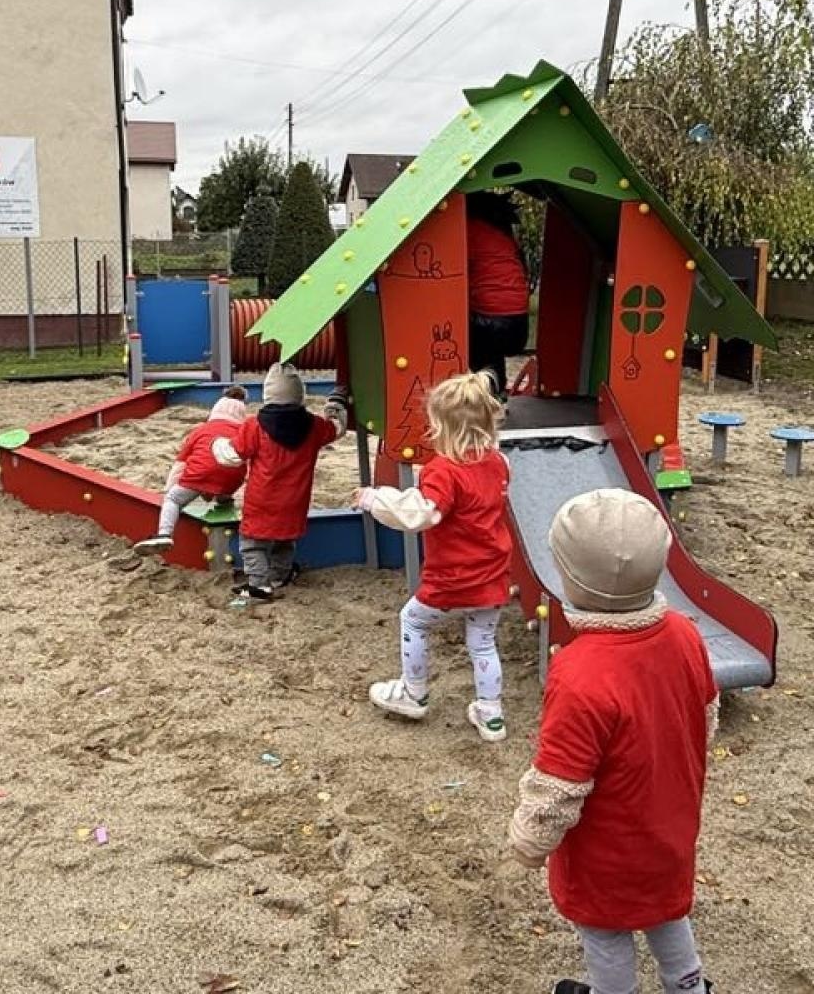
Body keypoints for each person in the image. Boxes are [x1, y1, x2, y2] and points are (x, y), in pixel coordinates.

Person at [508, 489, 720, 994]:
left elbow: (559, 782)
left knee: (606, 932)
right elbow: (706, 713)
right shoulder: (685, 634)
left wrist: (530, 837)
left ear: (571, 579)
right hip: (669, 824)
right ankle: (689, 987)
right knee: (667, 912)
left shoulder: (579, 673)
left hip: (608, 847)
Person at [354, 372, 513, 743]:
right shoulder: (498, 463)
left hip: (454, 576)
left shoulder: (443, 471)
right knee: (483, 642)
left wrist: (374, 499)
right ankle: (491, 716)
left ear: (439, 425)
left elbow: (420, 513)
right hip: (492, 573)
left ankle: (414, 692)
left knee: (413, 621)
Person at [214, 363, 347, 601]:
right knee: (285, 540)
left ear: (267, 394)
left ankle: (258, 584)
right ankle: (279, 576)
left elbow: (231, 455)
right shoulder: (314, 425)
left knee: (252, 543)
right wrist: (336, 406)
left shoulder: (255, 426)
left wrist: (217, 444)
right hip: (295, 500)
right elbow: (336, 429)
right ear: (299, 394)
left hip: (262, 499)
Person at [132, 386, 248, 554]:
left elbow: (181, 464)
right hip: (233, 478)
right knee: (225, 475)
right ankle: (224, 499)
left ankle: (164, 534)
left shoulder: (200, 430)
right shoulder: (244, 432)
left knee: (173, 499)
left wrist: (168, 488)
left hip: (200, 475)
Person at [466, 190, 530, 400]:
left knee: (476, 351)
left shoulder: (469, 230)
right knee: (492, 355)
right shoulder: (505, 237)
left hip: (489, 321)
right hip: (518, 325)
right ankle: (498, 394)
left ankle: (484, 398)